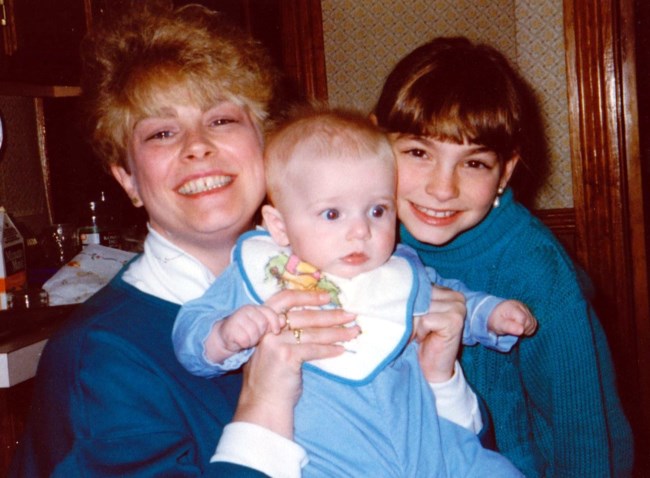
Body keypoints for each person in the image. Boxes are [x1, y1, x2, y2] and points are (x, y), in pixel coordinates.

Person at [7, 6, 497, 477]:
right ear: (128, 180)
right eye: (162, 133)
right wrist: (264, 403)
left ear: (267, 148)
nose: (197, 146)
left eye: (221, 120)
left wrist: (440, 377)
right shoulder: (102, 360)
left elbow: (458, 456)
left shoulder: (354, 275)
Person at [173, 107, 535, 476]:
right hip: (332, 462)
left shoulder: (398, 271)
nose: (361, 231)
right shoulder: (263, 273)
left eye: (377, 211)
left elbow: (451, 298)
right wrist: (223, 335)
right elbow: (191, 328)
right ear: (279, 226)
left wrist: (489, 313)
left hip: (432, 450)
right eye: (332, 214)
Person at [373, 36, 634, 477]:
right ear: (375, 145)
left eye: (473, 163)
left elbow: (585, 432)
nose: (442, 188)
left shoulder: (535, 269)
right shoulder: (355, 236)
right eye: (418, 153)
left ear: (505, 172)